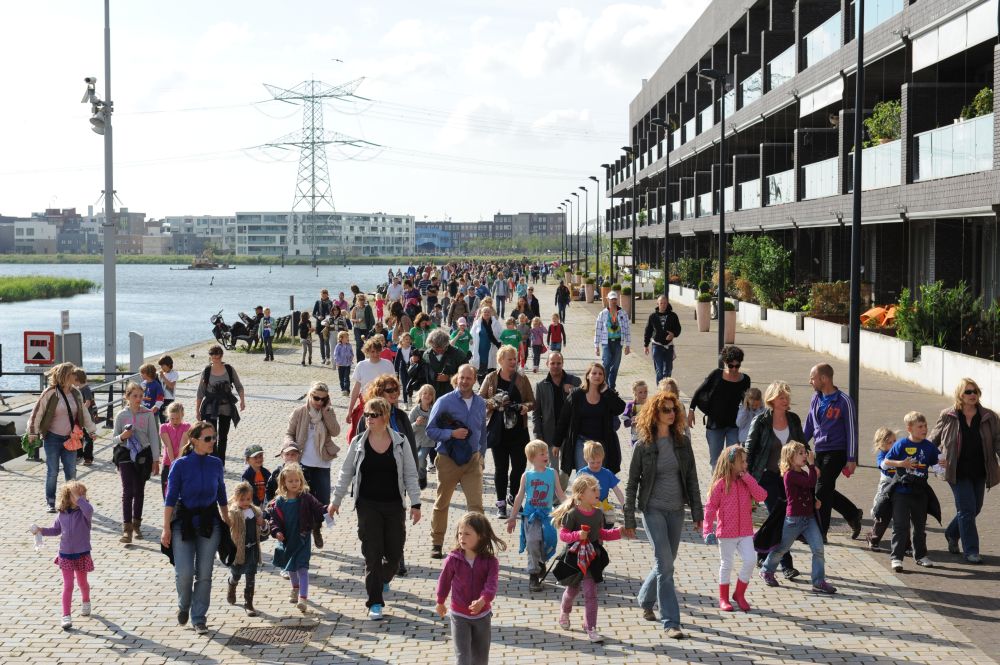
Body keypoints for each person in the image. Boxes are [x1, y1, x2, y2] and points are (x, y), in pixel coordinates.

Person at [329, 397, 422, 620]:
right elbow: (346, 473)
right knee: (372, 554)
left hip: (394, 505)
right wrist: (336, 501)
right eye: (367, 415)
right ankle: (375, 602)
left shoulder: (400, 442)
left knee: (394, 553)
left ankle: (382, 579)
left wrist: (416, 503)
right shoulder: (359, 443)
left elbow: (410, 473)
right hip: (367, 505)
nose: (368, 419)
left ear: (385, 417)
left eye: (373, 415)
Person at [624, 390, 703, 638]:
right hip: (653, 509)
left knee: (665, 563)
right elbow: (631, 484)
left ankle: (645, 599)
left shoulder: (682, 443)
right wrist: (629, 519)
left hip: (677, 511)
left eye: (674, 410)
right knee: (665, 564)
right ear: (654, 413)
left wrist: (699, 513)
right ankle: (671, 622)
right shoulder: (643, 446)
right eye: (666, 410)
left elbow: (692, 478)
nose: (671, 413)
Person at [161, 420, 228, 634]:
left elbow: (222, 495)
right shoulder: (180, 465)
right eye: (208, 438)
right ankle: (183, 605)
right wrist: (166, 528)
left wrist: (227, 522)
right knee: (185, 572)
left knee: (205, 573)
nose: (212, 442)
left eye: (214, 437)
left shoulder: (216, 463)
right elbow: (170, 498)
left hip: (209, 521)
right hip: (184, 521)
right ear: (194, 440)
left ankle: (199, 618)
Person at [929, 377, 1000, 564]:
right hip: (956, 471)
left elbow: (998, 442)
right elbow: (931, 443)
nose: (972, 395)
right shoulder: (948, 415)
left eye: (975, 391)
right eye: (968, 391)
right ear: (960, 394)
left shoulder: (989, 417)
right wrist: (935, 461)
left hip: (980, 470)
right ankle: (971, 551)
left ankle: (952, 533)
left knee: (974, 508)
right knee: (967, 510)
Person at [552, 474, 626, 644]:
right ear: (581, 495)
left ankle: (590, 626)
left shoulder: (598, 514)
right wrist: (577, 535)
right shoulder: (572, 514)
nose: (597, 491)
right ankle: (564, 610)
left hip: (592, 557)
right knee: (572, 590)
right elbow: (563, 535)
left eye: (597, 488)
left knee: (591, 593)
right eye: (593, 489)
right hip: (574, 557)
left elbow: (600, 534)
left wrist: (618, 532)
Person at [743, 380, 807, 577]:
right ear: (771, 399)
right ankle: (786, 565)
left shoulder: (794, 420)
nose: (785, 400)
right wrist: (745, 476)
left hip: (789, 476)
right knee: (783, 518)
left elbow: (803, 444)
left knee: (776, 518)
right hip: (766, 476)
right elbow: (749, 449)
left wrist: (812, 464)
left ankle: (760, 548)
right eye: (781, 397)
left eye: (787, 396)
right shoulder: (761, 421)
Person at [759, 441, 836, 594]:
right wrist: (813, 465)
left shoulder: (803, 472)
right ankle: (767, 570)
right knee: (782, 548)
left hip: (809, 519)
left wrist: (814, 501)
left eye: (804, 453)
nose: (805, 455)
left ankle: (819, 581)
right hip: (793, 520)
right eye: (800, 453)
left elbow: (807, 490)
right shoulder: (789, 475)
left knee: (818, 549)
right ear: (789, 458)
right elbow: (811, 482)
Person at [427, 365, 488, 559]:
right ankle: (437, 543)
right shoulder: (445, 401)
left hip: (472, 460)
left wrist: (482, 455)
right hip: (448, 459)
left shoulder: (480, 403)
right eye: (462, 377)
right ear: (456, 378)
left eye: (469, 378)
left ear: (475, 380)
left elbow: (482, 432)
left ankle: (478, 546)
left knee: (476, 506)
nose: (465, 381)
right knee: (442, 503)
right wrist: (450, 433)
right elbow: (430, 430)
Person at [702, 446, 768, 612]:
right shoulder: (721, 484)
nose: (746, 464)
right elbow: (710, 508)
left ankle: (739, 594)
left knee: (751, 560)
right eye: (742, 461)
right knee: (727, 564)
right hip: (726, 533)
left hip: (745, 531)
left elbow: (762, 496)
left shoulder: (746, 482)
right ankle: (723, 598)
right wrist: (707, 530)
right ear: (731, 463)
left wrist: (748, 479)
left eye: (746, 461)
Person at [435, 512, 505, 665]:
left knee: (480, 658)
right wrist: (440, 601)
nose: (462, 537)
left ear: (480, 536)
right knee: (463, 657)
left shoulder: (491, 561)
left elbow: (491, 584)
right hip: (459, 615)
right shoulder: (452, 559)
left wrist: (483, 600)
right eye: (460, 533)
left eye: (467, 534)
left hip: (482, 616)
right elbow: (444, 580)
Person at [802, 363, 863, 539]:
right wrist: (797, 445)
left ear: (824, 379)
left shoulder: (844, 401)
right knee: (823, 488)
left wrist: (851, 458)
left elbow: (852, 430)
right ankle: (852, 513)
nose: (810, 381)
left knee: (821, 490)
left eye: (812, 378)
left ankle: (820, 533)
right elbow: (809, 426)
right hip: (819, 451)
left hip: (837, 452)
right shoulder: (816, 398)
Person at [28, 362, 96, 512]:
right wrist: (32, 431)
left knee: (71, 471)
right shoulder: (50, 393)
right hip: (52, 438)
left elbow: (84, 412)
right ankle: (51, 502)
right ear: (65, 375)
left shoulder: (76, 393)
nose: (75, 376)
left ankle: (72, 502)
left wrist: (91, 430)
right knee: (52, 471)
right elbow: (37, 413)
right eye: (72, 373)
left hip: (70, 438)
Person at [882, 411, 943, 571]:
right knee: (900, 526)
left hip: (920, 492)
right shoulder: (901, 444)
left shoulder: (929, 446)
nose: (924, 429)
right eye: (920, 426)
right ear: (909, 428)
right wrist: (902, 463)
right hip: (901, 492)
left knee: (919, 526)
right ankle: (896, 558)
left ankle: (921, 556)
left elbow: (938, 468)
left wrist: (942, 466)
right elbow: (886, 462)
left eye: (925, 426)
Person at [284, 381, 341, 547]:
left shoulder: (327, 411)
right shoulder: (300, 412)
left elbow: (336, 431)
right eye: (316, 398)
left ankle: (317, 527)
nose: (319, 402)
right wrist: (290, 447)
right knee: (303, 500)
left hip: (323, 462)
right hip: (303, 464)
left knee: (322, 500)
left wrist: (327, 412)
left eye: (324, 399)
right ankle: (304, 533)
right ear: (310, 395)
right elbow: (289, 433)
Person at [480, 345, 535, 518]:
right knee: (500, 468)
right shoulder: (491, 378)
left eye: (515, 359)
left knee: (519, 467)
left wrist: (525, 407)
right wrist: (495, 402)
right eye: (509, 359)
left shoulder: (522, 379)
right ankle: (501, 503)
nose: (513, 362)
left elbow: (532, 401)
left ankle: (514, 498)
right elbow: (480, 400)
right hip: (498, 431)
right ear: (500, 360)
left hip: (519, 431)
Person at [31, 480, 93, 630]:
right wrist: (41, 530)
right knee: (68, 585)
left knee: (82, 583)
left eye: (82, 494)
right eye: (77, 494)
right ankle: (66, 615)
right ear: (68, 496)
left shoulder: (85, 513)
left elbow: (89, 510)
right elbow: (55, 530)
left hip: (81, 553)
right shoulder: (62, 514)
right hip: (65, 554)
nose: (81, 497)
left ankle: (86, 601)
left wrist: (79, 498)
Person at [506, 441, 564, 591]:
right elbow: (519, 497)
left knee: (549, 540)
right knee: (532, 542)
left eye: (546, 452)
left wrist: (569, 508)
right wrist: (512, 517)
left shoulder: (552, 473)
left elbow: (559, 493)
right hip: (531, 515)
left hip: (547, 514)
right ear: (532, 457)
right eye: (542, 454)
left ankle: (540, 562)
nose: (546, 456)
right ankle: (533, 575)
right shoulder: (527, 476)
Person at [269, 463, 327, 613]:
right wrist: (276, 532)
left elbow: (319, 508)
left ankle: (303, 598)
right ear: (283, 483)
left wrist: (329, 509)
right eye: (290, 481)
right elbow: (273, 520)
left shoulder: (306, 497)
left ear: (301, 481)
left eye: (297, 480)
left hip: (302, 538)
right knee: (291, 568)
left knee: (302, 567)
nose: (294, 483)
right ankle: (295, 587)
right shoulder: (280, 501)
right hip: (287, 539)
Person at [554, 362, 626, 479]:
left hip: (601, 444)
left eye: (600, 374)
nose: (597, 376)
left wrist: (607, 392)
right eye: (594, 373)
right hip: (581, 442)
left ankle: (600, 498)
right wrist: (557, 443)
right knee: (584, 478)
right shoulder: (576, 395)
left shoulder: (607, 394)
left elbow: (620, 408)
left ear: (604, 377)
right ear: (588, 375)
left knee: (600, 479)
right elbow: (564, 419)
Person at [688, 345, 751, 470]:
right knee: (716, 462)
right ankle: (716, 488)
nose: (734, 369)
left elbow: (746, 403)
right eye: (730, 366)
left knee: (733, 461)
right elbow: (699, 391)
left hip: (734, 426)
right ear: (724, 363)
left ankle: (730, 488)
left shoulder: (745, 380)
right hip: (715, 426)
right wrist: (691, 411)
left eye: (737, 366)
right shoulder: (716, 375)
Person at [113, 382, 160, 543]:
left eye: (141, 396)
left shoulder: (147, 414)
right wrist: (122, 436)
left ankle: (136, 524)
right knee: (128, 490)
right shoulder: (121, 415)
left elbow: (154, 438)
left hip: (143, 454)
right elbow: (114, 438)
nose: (138, 399)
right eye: (135, 396)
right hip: (125, 453)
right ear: (127, 397)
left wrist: (155, 459)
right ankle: (126, 530)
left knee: (139, 490)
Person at [195, 345, 246, 464]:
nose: (215, 359)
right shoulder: (206, 371)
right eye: (213, 356)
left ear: (221, 356)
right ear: (210, 357)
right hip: (209, 407)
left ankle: (221, 462)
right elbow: (200, 391)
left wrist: (242, 401)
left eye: (217, 357)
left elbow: (239, 386)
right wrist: (197, 410)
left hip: (226, 406)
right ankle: (212, 460)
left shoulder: (229, 369)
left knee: (223, 436)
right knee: (211, 436)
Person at [225, 481, 268, 617]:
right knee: (236, 574)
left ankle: (248, 603)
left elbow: (264, 533)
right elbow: (227, 525)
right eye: (242, 499)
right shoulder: (233, 512)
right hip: (238, 551)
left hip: (252, 550)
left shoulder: (255, 511)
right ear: (236, 498)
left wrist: (263, 524)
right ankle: (232, 585)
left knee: (251, 577)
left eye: (248, 499)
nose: (245, 502)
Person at [346, 337, 395, 441]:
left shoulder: (387, 364)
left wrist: (396, 406)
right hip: (365, 404)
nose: (376, 354)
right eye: (373, 351)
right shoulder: (361, 365)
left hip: (384, 405)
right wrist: (350, 409)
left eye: (378, 351)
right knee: (360, 433)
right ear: (367, 351)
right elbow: (356, 389)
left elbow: (393, 388)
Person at [865, 427, 898, 551]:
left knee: (901, 515)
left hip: (899, 485)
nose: (894, 444)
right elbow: (883, 465)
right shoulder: (882, 455)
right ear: (881, 444)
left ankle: (906, 545)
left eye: (895, 441)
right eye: (890, 442)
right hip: (886, 486)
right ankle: (873, 538)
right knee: (882, 514)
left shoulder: (899, 452)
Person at [578, 441, 625, 525]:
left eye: (599, 462)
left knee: (602, 529)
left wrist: (623, 504)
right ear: (586, 459)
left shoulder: (607, 473)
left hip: (602, 508)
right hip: (586, 507)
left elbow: (617, 490)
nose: (596, 465)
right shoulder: (582, 473)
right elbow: (576, 492)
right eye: (592, 462)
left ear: (602, 458)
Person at [593, 292, 631, 391]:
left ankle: (612, 387)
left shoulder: (623, 313)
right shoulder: (603, 314)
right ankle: (603, 386)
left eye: (615, 299)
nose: (613, 301)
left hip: (618, 342)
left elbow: (627, 329)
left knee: (615, 365)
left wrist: (628, 345)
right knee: (606, 364)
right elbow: (598, 329)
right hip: (606, 342)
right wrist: (596, 346)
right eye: (611, 299)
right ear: (608, 300)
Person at [643, 295, 682, 385]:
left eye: (665, 303)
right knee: (659, 370)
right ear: (658, 304)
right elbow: (648, 331)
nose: (663, 305)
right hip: (657, 345)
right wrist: (646, 345)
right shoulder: (653, 316)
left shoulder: (673, 316)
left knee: (668, 370)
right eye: (661, 303)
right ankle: (660, 391)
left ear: (667, 303)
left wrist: (673, 334)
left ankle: (667, 390)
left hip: (669, 346)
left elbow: (678, 329)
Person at [159, 402, 191, 498]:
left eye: (178, 418)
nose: (175, 421)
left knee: (182, 493)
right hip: (168, 463)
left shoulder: (187, 427)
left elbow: (183, 445)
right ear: (168, 416)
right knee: (167, 493)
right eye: (172, 418)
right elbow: (168, 446)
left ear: (182, 416)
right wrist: (173, 463)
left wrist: (177, 464)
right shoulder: (163, 427)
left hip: (182, 463)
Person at [425, 328, 467, 399]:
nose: (438, 350)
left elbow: (467, 375)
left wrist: (450, 378)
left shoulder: (458, 354)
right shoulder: (426, 355)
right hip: (432, 397)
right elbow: (423, 376)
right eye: (435, 347)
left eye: (441, 348)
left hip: (453, 396)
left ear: (447, 344)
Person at [410, 384, 438, 489]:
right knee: (416, 462)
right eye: (425, 393)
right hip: (415, 441)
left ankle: (421, 478)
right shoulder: (415, 411)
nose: (427, 396)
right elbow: (408, 429)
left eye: (430, 394)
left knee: (421, 458)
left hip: (428, 442)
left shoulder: (434, 410)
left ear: (433, 398)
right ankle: (419, 477)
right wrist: (416, 424)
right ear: (420, 395)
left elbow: (437, 425)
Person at [470, 306, 503, 383]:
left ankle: (489, 384)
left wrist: (499, 342)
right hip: (480, 348)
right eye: (485, 312)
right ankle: (481, 385)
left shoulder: (495, 323)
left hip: (492, 347)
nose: (486, 313)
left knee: (491, 367)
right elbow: (472, 335)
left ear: (491, 313)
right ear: (481, 313)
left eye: (488, 312)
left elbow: (500, 334)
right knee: (480, 367)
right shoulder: (477, 323)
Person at [622, 380, 649, 448]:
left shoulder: (650, 404)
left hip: (649, 437)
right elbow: (625, 424)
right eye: (640, 392)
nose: (644, 394)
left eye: (645, 392)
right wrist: (632, 421)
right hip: (636, 438)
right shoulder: (630, 405)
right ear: (635, 393)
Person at [351, 293, 377, 362]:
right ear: (357, 300)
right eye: (360, 299)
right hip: (357, 328)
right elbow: (352, 319)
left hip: (366, 329)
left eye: (363, 299)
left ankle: (366, 360)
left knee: (366, 344)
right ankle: (359, 361)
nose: (362, 301)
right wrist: (357, 320)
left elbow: (371, 318)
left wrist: (372, 326)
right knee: (359, 344)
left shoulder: (367, 308)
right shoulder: (355, 308)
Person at [312, 289, 334, 365]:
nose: (324, 296)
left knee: (326, 342)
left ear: (327, 295)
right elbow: (313, 313)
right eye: (322, 294)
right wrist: (318, 317)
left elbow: (332, 313)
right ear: (320, 295)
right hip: (319, 324)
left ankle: (328, 358)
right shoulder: (317, 302)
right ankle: (323, 358)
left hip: (327, 324)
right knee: (321, 342)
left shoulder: (330, 303)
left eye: (325, 294)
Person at [158, 355, 179, 422]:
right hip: (161, 399)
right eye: (160, 366)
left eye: (163, 365)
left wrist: (163, 377)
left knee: (168, 419)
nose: (161, 367)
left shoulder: (174, 373)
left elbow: (171, 385)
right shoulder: (161, 374)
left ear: (169, 364)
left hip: (169, 399)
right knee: (161, 419)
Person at [334, 331, 354, 397]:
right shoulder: (338, 346)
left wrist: (351, 357)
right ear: (341, 338)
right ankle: (343, 389)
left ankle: (347, 390)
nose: (347, 338)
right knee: (341, 378)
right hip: (341, 364)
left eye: (348, 337)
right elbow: (336, 355)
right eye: (346, 337)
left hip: (348, 364)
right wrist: (338, 362)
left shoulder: (349, 345)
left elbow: (351, 352)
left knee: (346, 377)